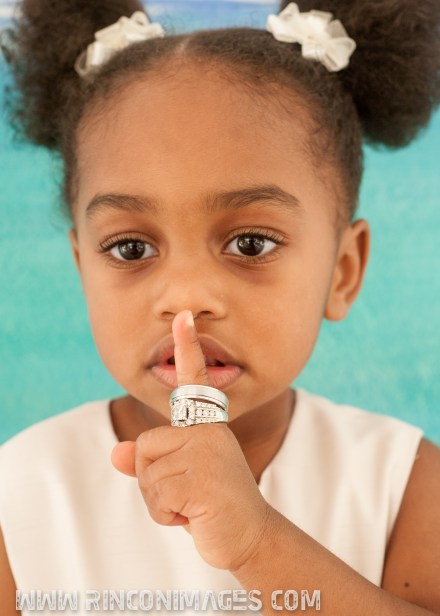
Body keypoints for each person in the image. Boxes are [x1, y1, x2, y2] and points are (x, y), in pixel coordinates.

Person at [0, 0, 439, 614]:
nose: (185, 297)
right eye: (130, 247)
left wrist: (256, 541)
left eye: (250, 244)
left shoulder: (403, 481)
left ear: (343, 270)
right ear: (82, 269)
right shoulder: (19, 493)